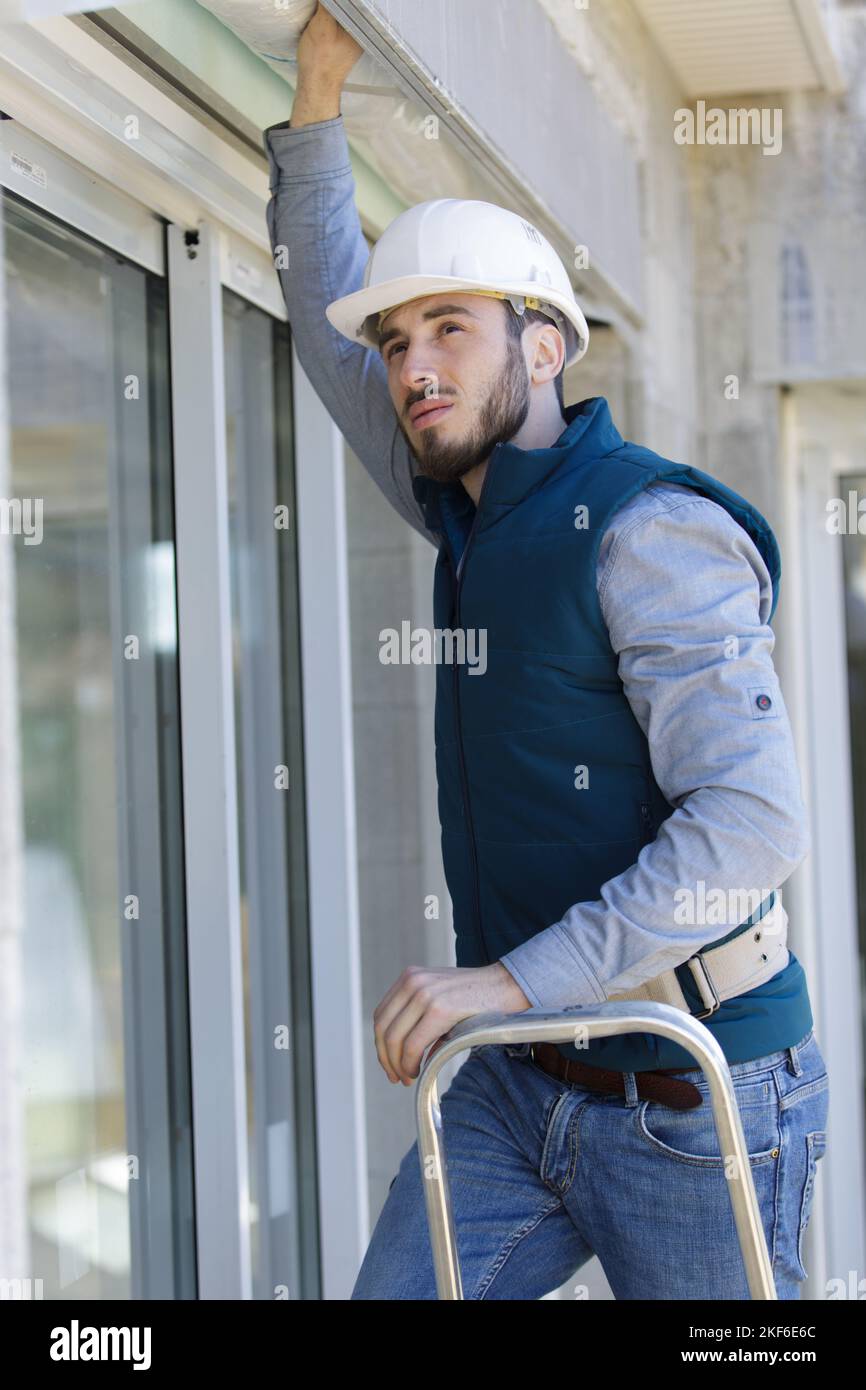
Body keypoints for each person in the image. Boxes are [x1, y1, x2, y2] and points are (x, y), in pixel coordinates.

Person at [262, 2, 829, 1299]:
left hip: (693, 1084)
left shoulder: (650, 528)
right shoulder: (462, 498)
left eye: (448, 328)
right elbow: (318, 319)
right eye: (398, 344)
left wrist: (506, 980)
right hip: (514, 1085)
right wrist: (314, 98)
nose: (411, 369)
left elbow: (749, 822)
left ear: (543, 343)